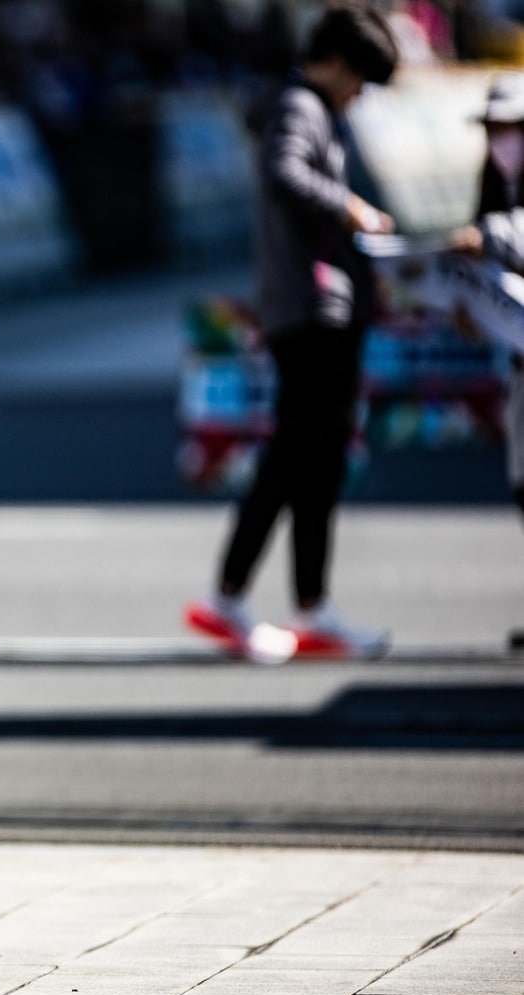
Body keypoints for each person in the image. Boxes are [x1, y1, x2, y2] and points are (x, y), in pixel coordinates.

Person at [184, 3, 399, 662]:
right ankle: (244, 597)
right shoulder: (301, 107)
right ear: (333, 62)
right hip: (310, 309)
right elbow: (285, 175)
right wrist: (352, 208)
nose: (358, 95)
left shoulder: (298, 105)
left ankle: (303, 603)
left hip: (311, 307)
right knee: (302, 458)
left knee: (314, 461)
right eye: (358, 79)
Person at [448, 71, 524, 649]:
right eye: (494, 128)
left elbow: (500, 240)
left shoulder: (499, 215)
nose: (501, 139)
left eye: (512, 127)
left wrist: (491, 236)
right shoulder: (493, 185)